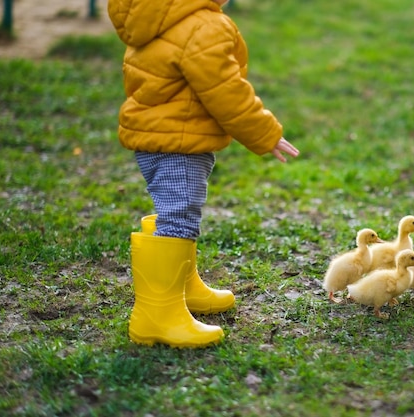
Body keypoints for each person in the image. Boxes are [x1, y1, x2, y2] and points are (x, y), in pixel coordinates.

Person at [107, 0, 299, 348]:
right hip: (179, 142)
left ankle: (182, 288)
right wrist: (264, 133)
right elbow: (225, 90)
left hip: (154, 139)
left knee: (173, 212)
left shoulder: (154, 15)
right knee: (179, 217)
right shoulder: (202, 25)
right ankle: (157, 315)